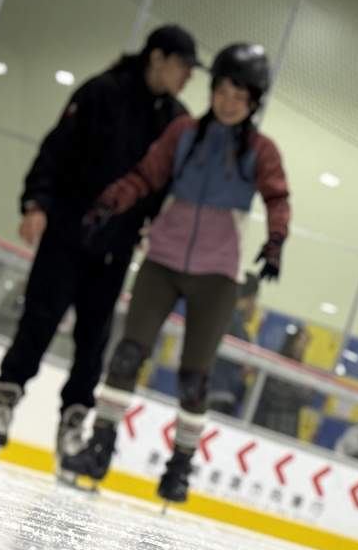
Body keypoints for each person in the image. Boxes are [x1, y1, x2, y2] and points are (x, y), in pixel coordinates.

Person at [60, 43, 291, 504]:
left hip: (217, 273)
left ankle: (179, 468)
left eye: (239, 94)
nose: (228, 101)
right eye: (222, 89)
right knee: (127, 354)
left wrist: (276, 241)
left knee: (194, 378)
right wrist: (111, 202)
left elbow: (277, 197)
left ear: (254, 101)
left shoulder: (260, 150)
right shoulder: (184, 132)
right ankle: (100, 448)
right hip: (162, 260)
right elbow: (147, 175)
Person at [0, 25, 198, 465]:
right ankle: (5, 400)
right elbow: (56, 149)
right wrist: (36, 202)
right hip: (67, 229)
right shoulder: (102, 91)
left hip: (117, 245)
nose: (187, 77)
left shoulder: (175, 120)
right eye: (182, 66)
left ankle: (73, 422)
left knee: (94, 339)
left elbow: (168, 184)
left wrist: (157, 225)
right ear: (157, 57)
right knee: (39, 318)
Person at [208, 273, 260, 416]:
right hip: (220, 395)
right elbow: (247, 366)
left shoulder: (218, 314)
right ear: (251, 299)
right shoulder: (237, 326)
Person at [252, 325, 314, 438]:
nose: (302, 347)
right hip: (265, 422)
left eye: (305, 343)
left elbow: (307, 397)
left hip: (287, 429)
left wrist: (295, 393)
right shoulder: (275, 363)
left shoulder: (301, 370)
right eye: (300, 341)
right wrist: (296, 393)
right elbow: (273, 393)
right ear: (292, 341)